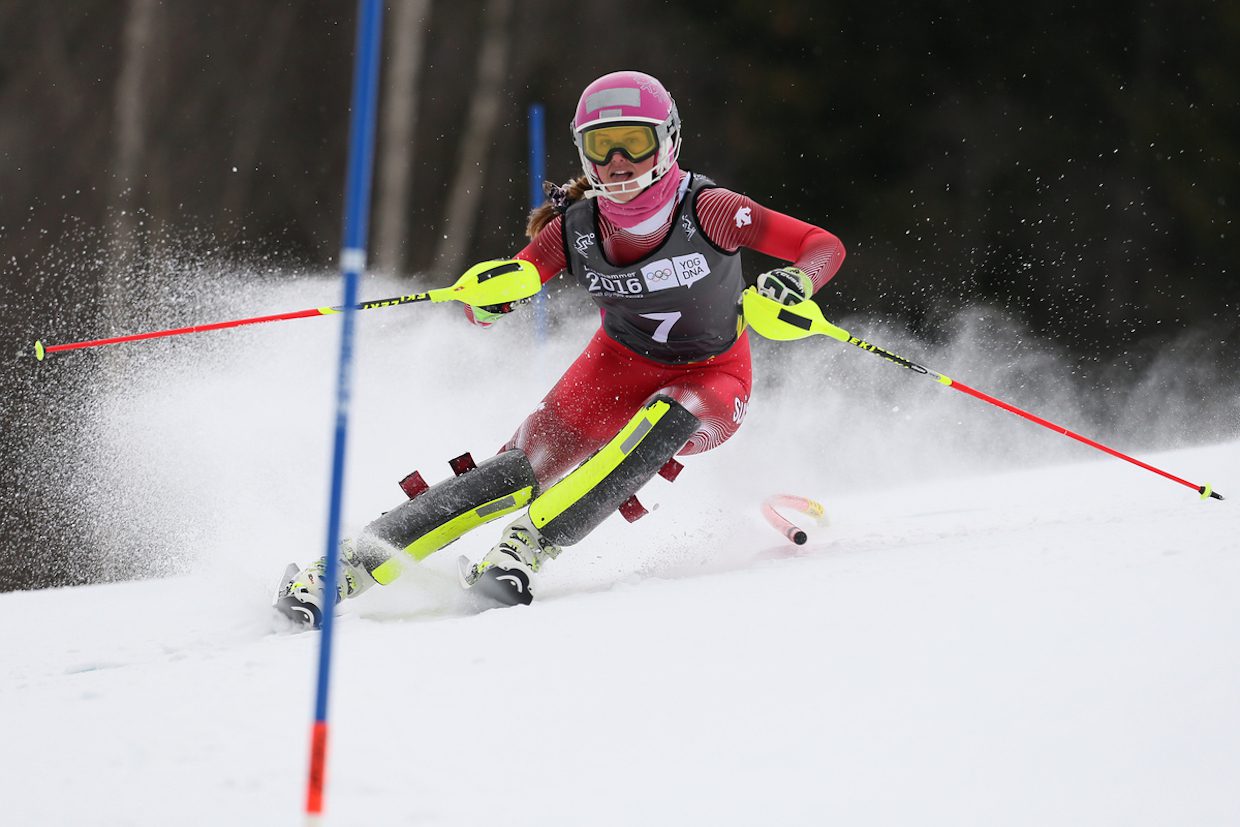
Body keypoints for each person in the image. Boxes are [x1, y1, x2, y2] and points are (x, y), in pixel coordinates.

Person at [275, 70, 846, 626]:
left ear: (668, 142)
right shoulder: (573, 229)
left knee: (670, 416)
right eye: (602, 147)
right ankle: (343, 569)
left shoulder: (711, 210)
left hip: (713, 378)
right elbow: (508, 288)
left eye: (634, 143)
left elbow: (821, 245)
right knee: (516, 471)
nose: (618, 162)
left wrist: (797, 281)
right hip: (616, 367)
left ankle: (524, 550)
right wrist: (488, 298)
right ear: (583, 154)